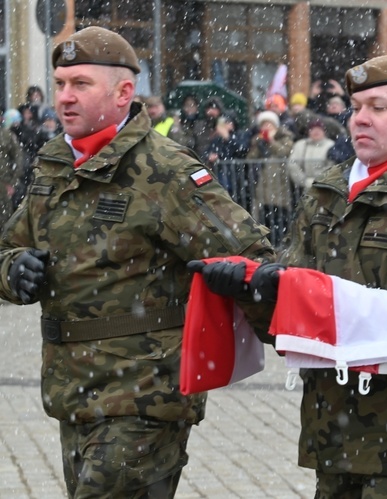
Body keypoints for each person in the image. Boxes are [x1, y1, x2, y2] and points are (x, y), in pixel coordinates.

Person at [191, 55, 387, 497]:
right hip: (334, 437)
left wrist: (289, 289)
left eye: (379, 107)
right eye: (356, 107)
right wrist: (252, 290)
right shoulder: (329, 192)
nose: (360, 119)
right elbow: (294, 328)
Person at [0, 27, 275, 498]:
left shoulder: (165, 169)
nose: (64, 97)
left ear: (124, 92)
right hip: (72, 393)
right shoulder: (54, 165)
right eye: (60, 83)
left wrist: (294, 334)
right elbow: (9, 247)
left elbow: (251, 259)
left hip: (144, 397)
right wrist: (13, 270)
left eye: (80, 84)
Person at [246, 110, 295, 246]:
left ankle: (281, 246)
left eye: (269, 124)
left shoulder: (285, 137)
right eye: (264, 124)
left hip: (280, 186)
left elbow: (284, 152)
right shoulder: (258, 140)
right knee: (264, 222)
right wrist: (259, 145)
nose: (266, 127)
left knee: (281, 220)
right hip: (264, 188)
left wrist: (271, 141)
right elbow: (250, 158)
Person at [286, 119, 334, 190]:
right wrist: (304, 181)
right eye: (313, 129)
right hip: (303, 188)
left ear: (324, 131)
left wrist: (319, 181)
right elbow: (293, 164)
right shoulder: (300, 144)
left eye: (319, 129)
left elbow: (331, 166)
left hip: (325, 187)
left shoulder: (331, 145)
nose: (316, 131)